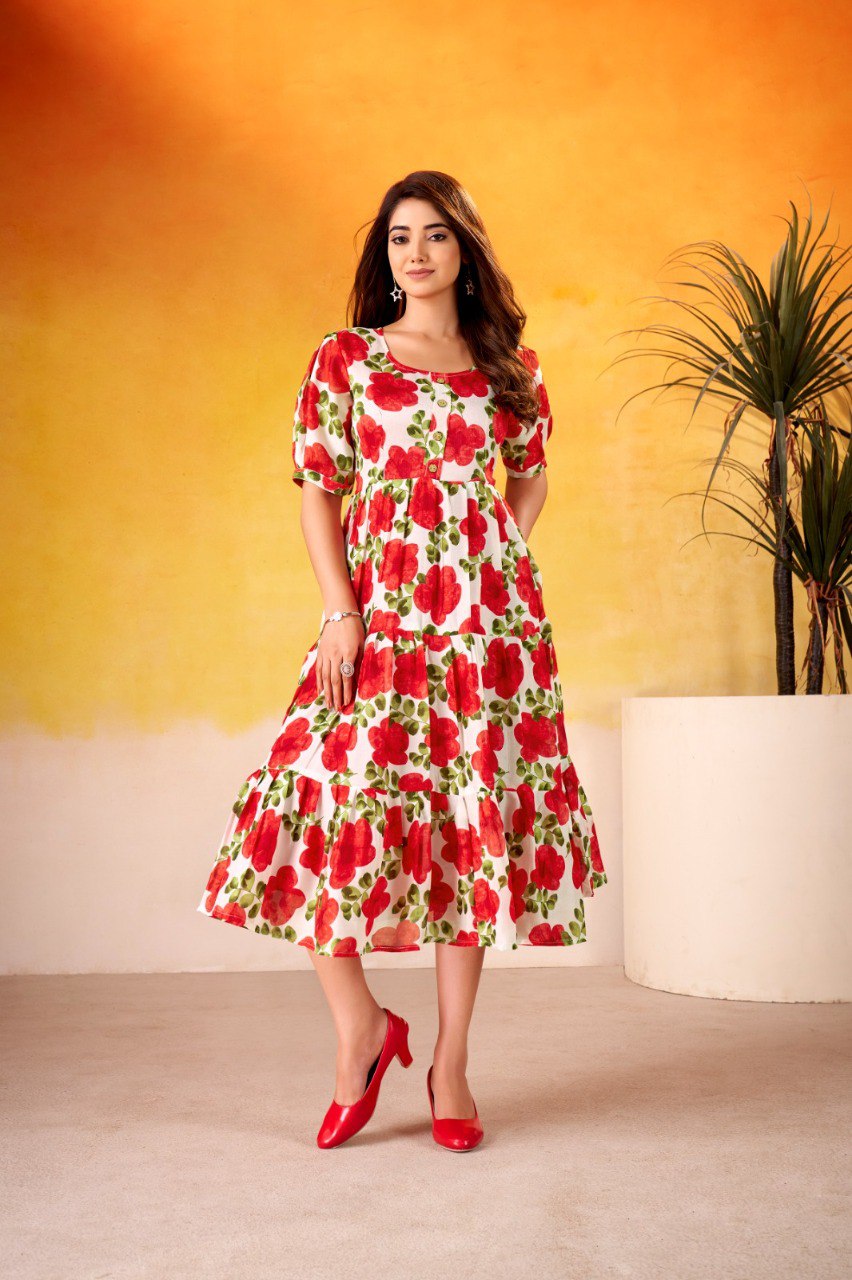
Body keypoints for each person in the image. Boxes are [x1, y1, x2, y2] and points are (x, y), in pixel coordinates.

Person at [196, 169, 607, 1151]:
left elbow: (533, 471)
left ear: (466, 250)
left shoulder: (511, 364)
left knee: (466, 827)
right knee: (321, 803)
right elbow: (318, 492)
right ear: (385, 257)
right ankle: (365, 1031)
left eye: (434, 235)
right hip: (376, 618)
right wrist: (341, 610)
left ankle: (453, 1063)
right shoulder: (344, 358)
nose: (415, 252)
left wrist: (495, 553)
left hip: (485, 628)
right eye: (398, 238)